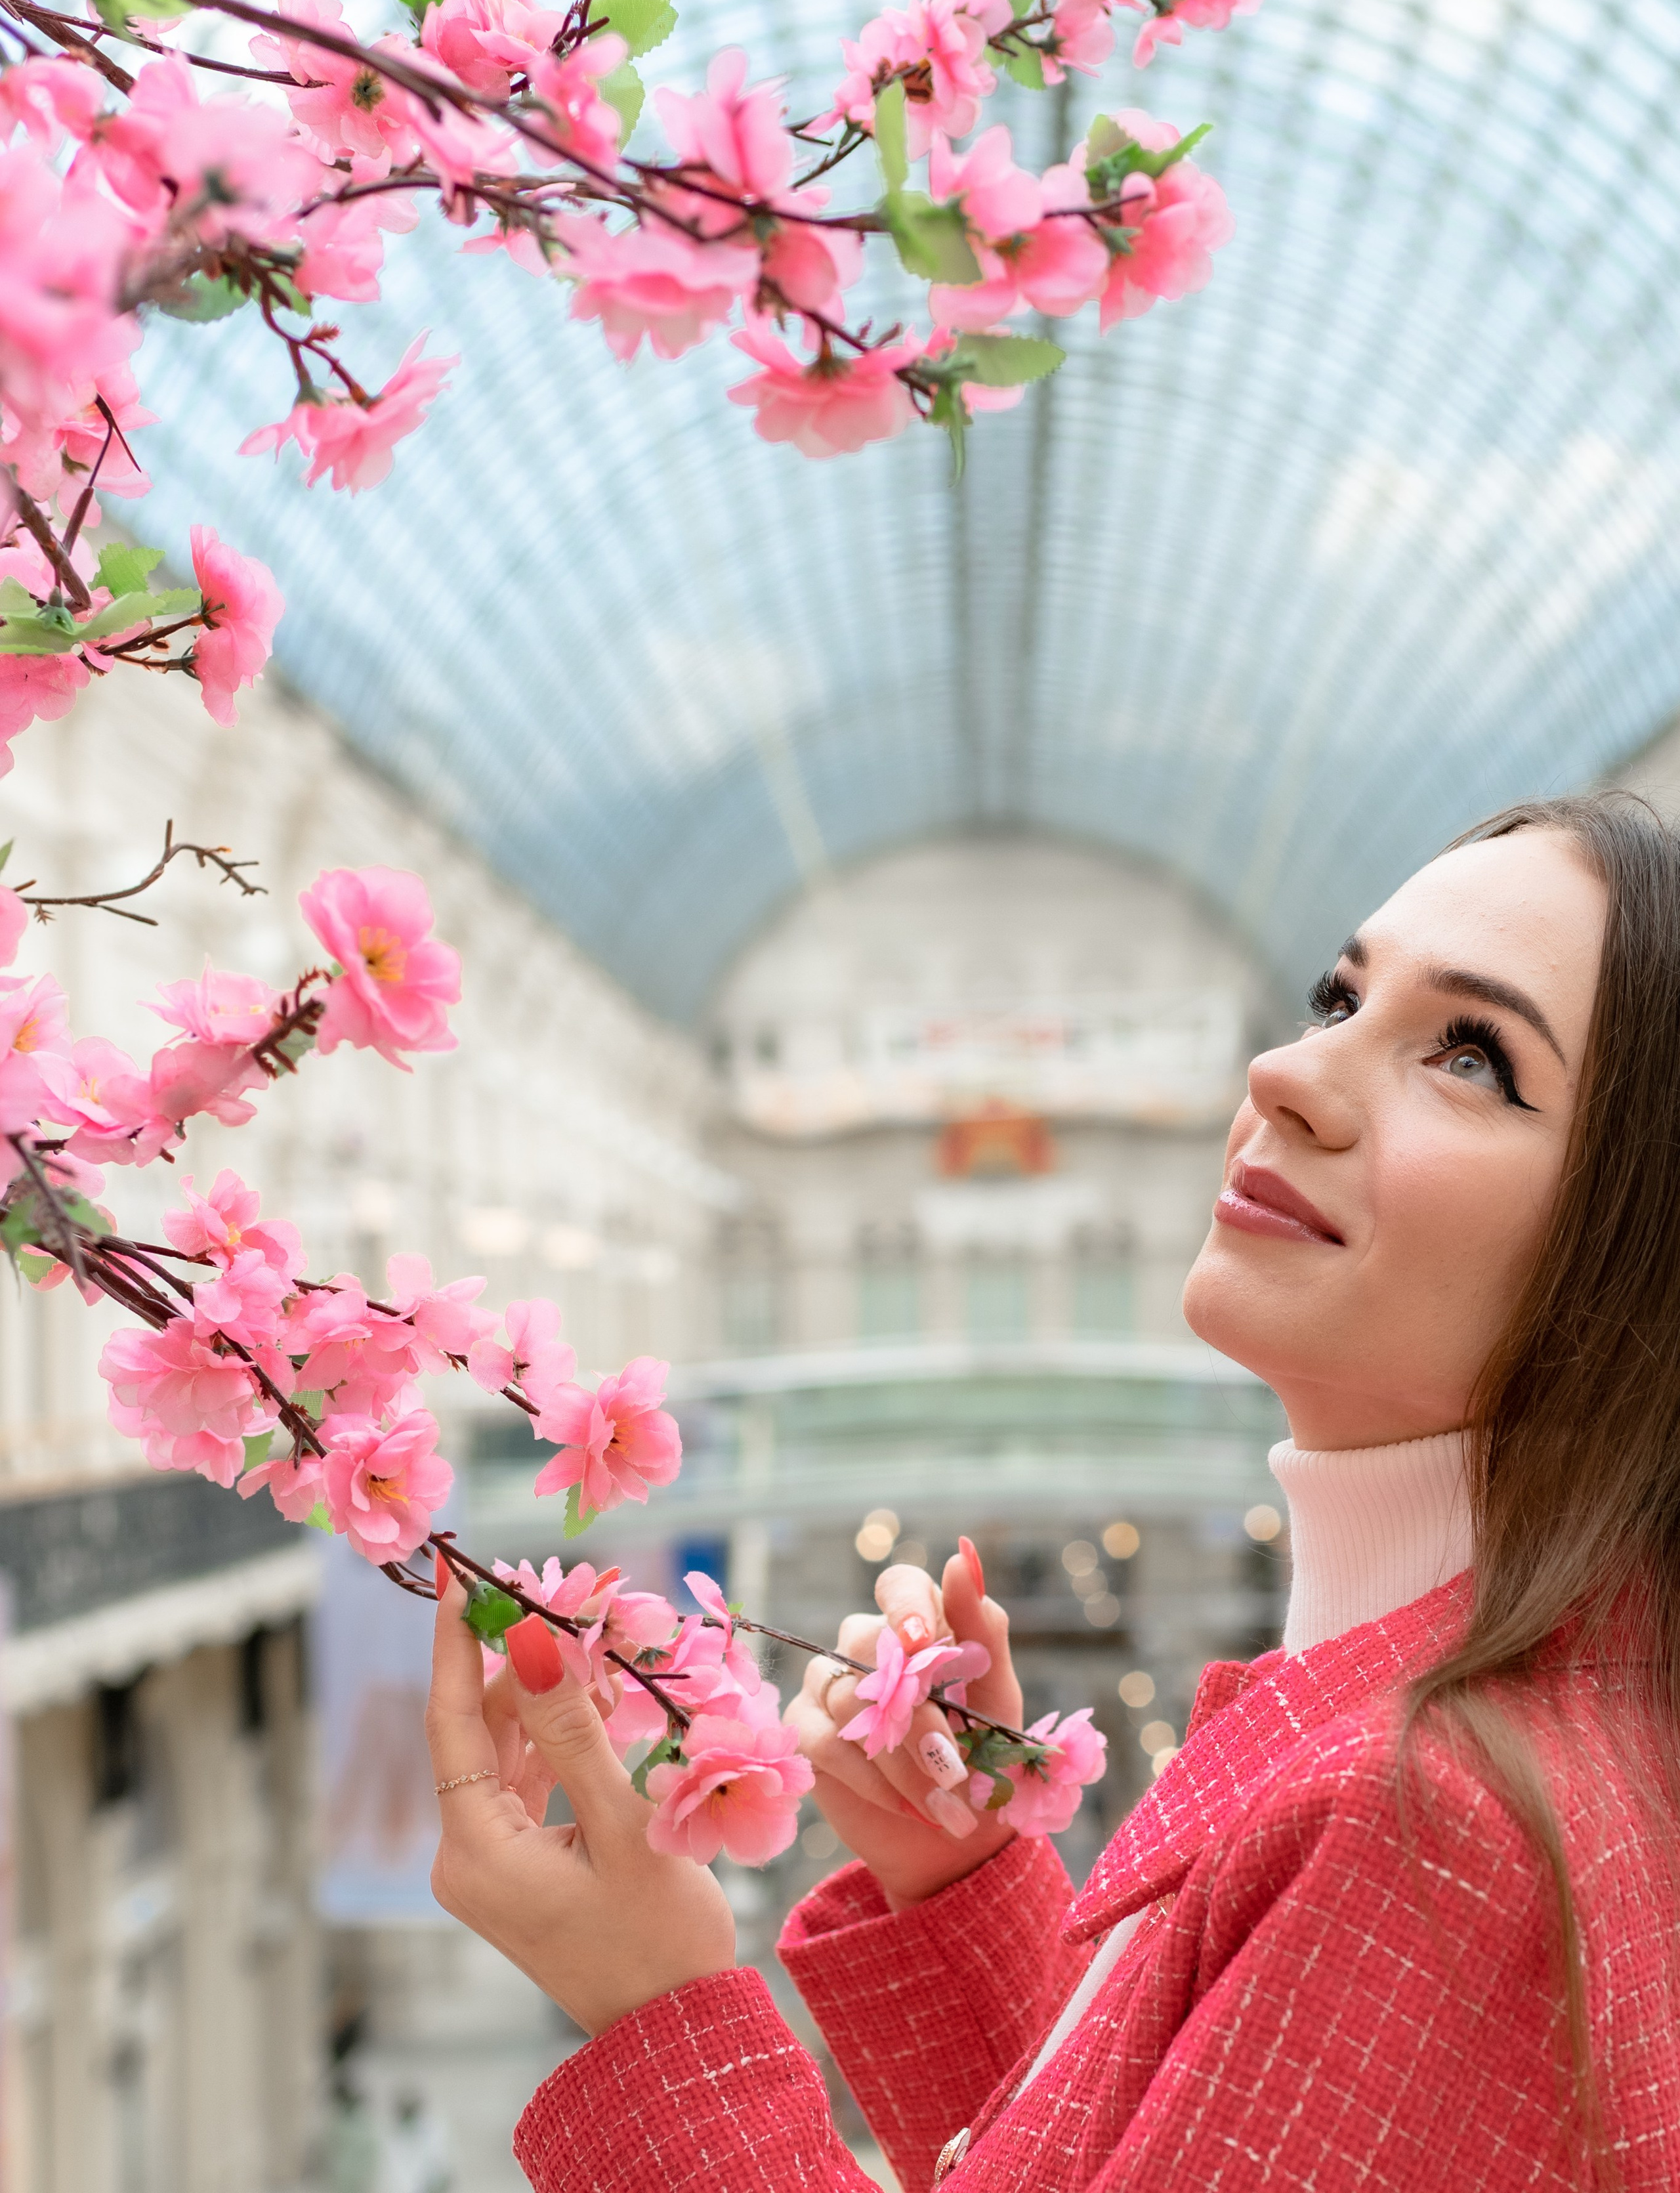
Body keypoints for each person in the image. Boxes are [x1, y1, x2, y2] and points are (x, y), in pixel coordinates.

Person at [423, 795, 1680, 2189]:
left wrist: (659, 2018)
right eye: (1338, 998)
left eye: (1471, 1056)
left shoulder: (1437, 1830)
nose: (1286, 1073)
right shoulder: (1519, 1718)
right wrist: (955, 1890)